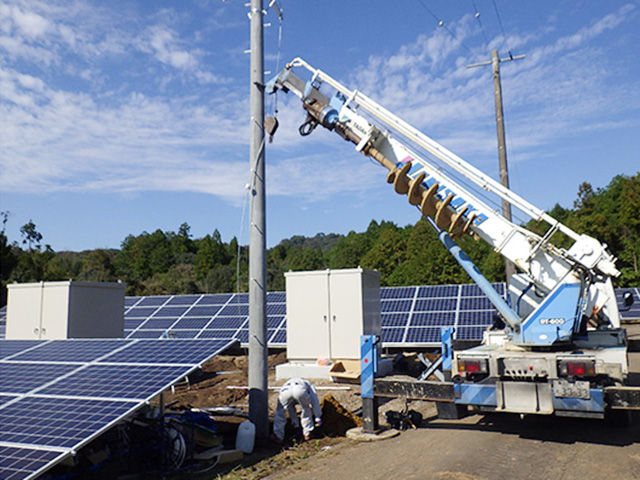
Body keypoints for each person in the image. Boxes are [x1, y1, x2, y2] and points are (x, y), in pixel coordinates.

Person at [271, 378, 322, 442]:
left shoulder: (288, 383)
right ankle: (307, 433)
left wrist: (296, 425)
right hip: (300, 390)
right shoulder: (309, 385)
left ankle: (278, 435)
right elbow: (315, 402)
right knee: (305, 408)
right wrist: (318, 417)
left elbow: (291, 409)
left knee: (280, 411)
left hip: (286, 391)